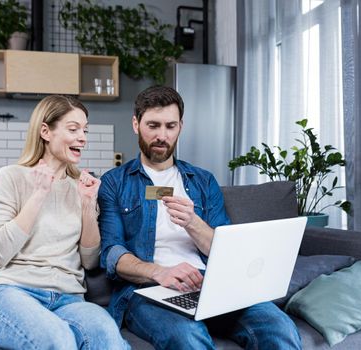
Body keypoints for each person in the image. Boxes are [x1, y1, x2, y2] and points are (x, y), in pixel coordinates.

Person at [98, 86, 301, 349]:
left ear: (181, 126)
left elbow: (225, 249)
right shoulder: (114, 183)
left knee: (279, 327)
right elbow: (112, 254)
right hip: (146, 290)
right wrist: (161, 273)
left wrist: (193, 222)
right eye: (153, 125)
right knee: (187, 336)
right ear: (136, 124)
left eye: (170, 126)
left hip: (211, 285)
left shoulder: (203, 181)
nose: (162, 135)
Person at [0, 95, 129, 350]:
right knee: (59, 340)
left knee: (108, 337)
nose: (83, 137)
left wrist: (89, 205)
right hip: (13, 293)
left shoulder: (80, 186)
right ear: (45, 131)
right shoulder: (11, 177)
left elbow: (90, 261)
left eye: (85, 130)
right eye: (73, 129)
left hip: (68, 300)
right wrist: (39, 194)